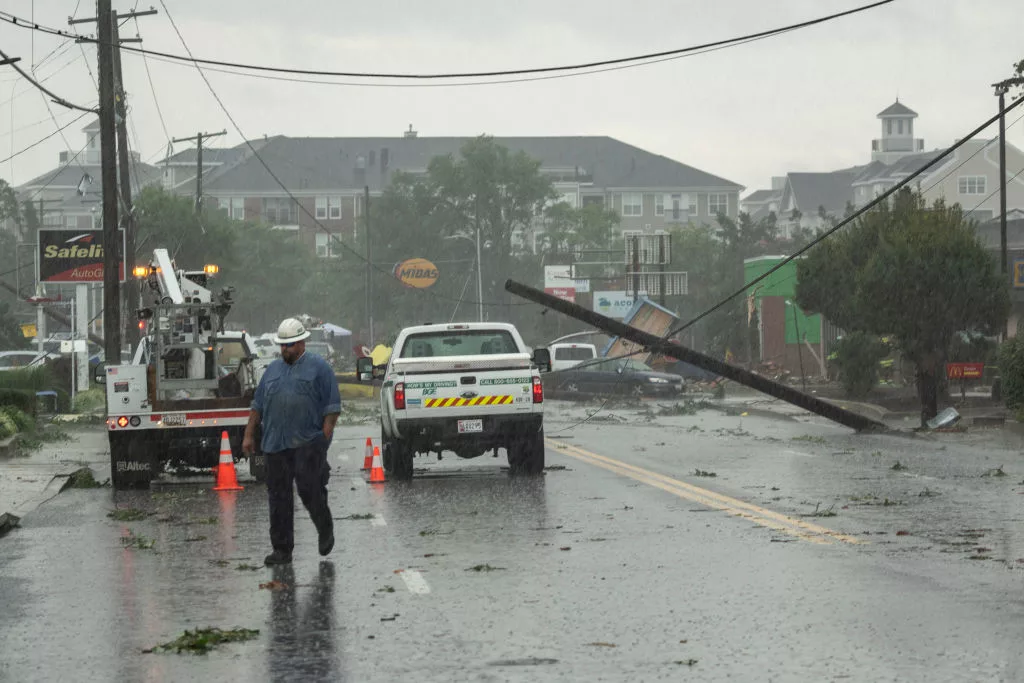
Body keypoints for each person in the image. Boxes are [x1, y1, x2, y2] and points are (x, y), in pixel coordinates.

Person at [243, 317, 341, 566]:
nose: (285, 349)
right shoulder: (272, 371)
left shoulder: (320, 368)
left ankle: (324, 527)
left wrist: (324, 438)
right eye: (282, 345)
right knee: (278, 497)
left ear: (301, 343)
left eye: (289, 345)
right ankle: (282, 549)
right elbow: (258, 405)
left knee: (309, 489)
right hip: (275, 444)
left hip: (308, 442)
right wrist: (248, 435)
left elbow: (332, 407)